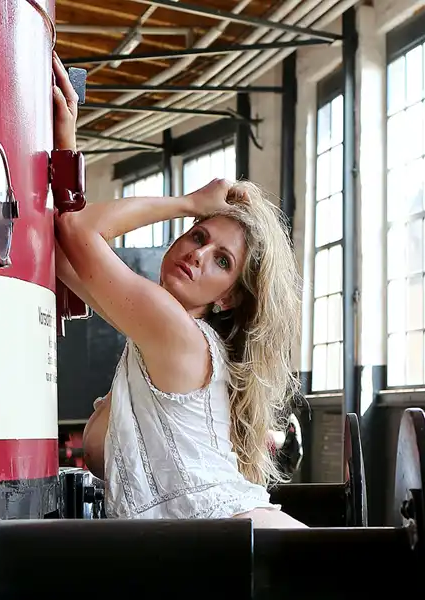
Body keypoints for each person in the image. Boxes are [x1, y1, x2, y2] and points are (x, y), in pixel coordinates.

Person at [51, 52, 306, 528]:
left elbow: (79, 232)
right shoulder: (167, 332)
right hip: (219, 547)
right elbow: (65, 256)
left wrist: (189, 202)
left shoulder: (174, 329)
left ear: (226, 297)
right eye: (198, 235)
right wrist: (65, 144)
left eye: (222, 261)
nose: (198, 254)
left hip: (241, 543)